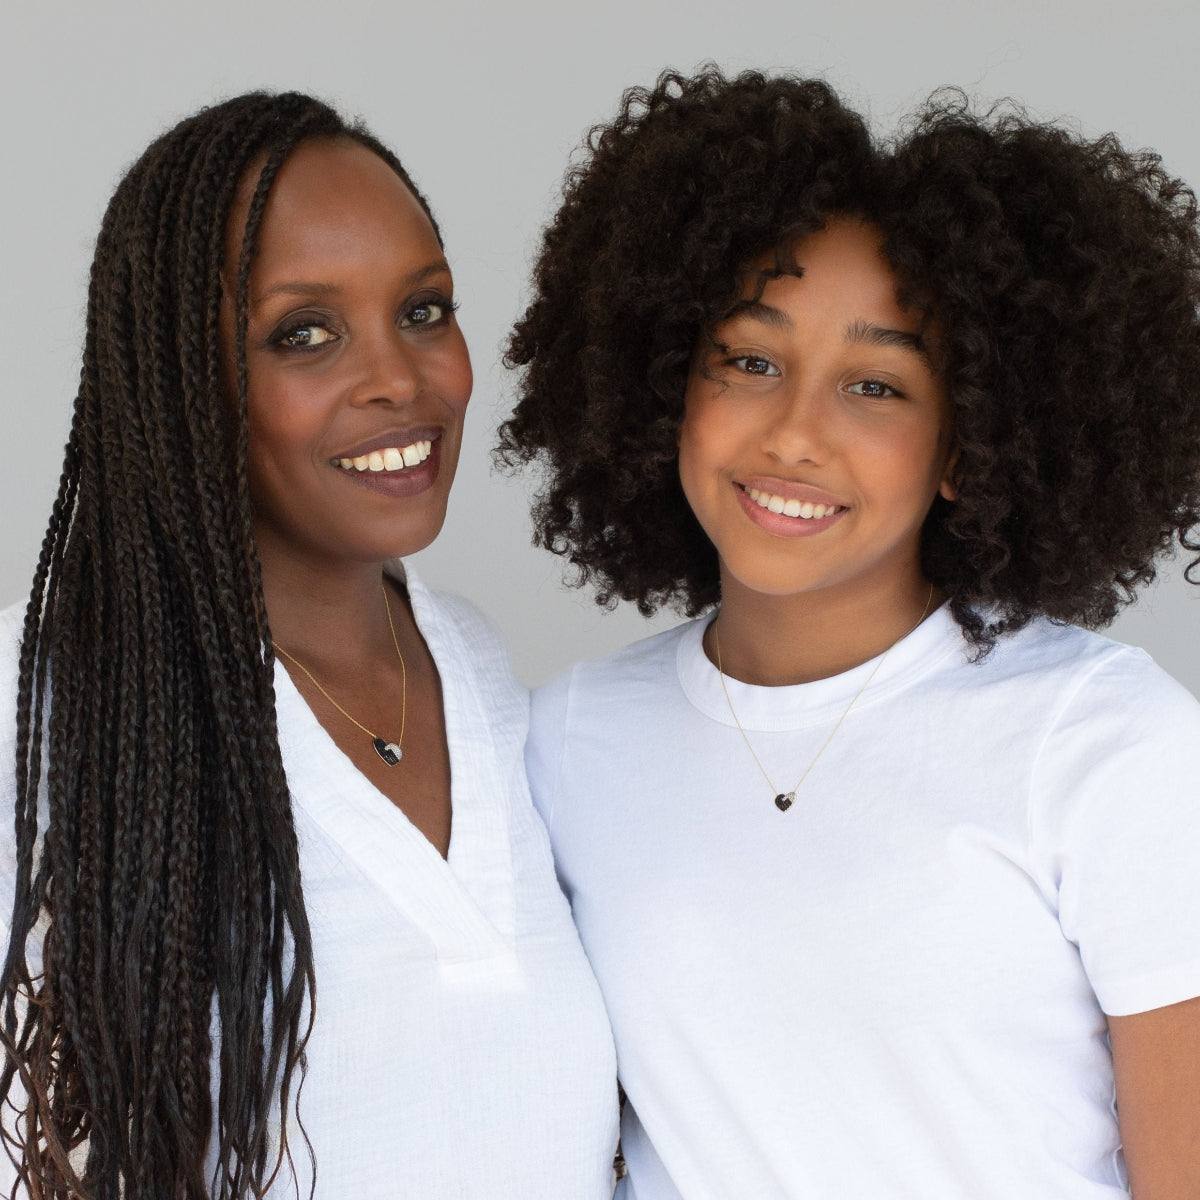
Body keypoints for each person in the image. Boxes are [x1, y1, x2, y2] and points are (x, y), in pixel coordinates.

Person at [500, 67, 1200, 1199]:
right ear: (665, 383)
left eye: (875, 386)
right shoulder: (565, 745)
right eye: (751, 360)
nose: (795, 433)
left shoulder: (1108, 745)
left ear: (971, 446)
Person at [0, 91, 617, 1199]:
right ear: (180, 381)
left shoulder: (480, 674)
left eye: (426, 310)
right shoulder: (44, 703)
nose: (400, 379)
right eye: (305, 334)